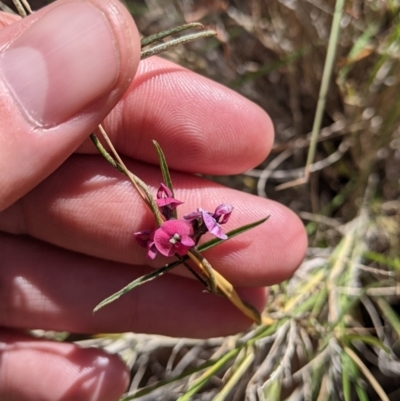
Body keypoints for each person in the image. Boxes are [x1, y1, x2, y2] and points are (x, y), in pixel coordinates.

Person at [0, 0, 307, 399]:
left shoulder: (185, 231)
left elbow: (174, 239)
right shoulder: (176, 232)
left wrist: (175, 235)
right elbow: (170, 239)